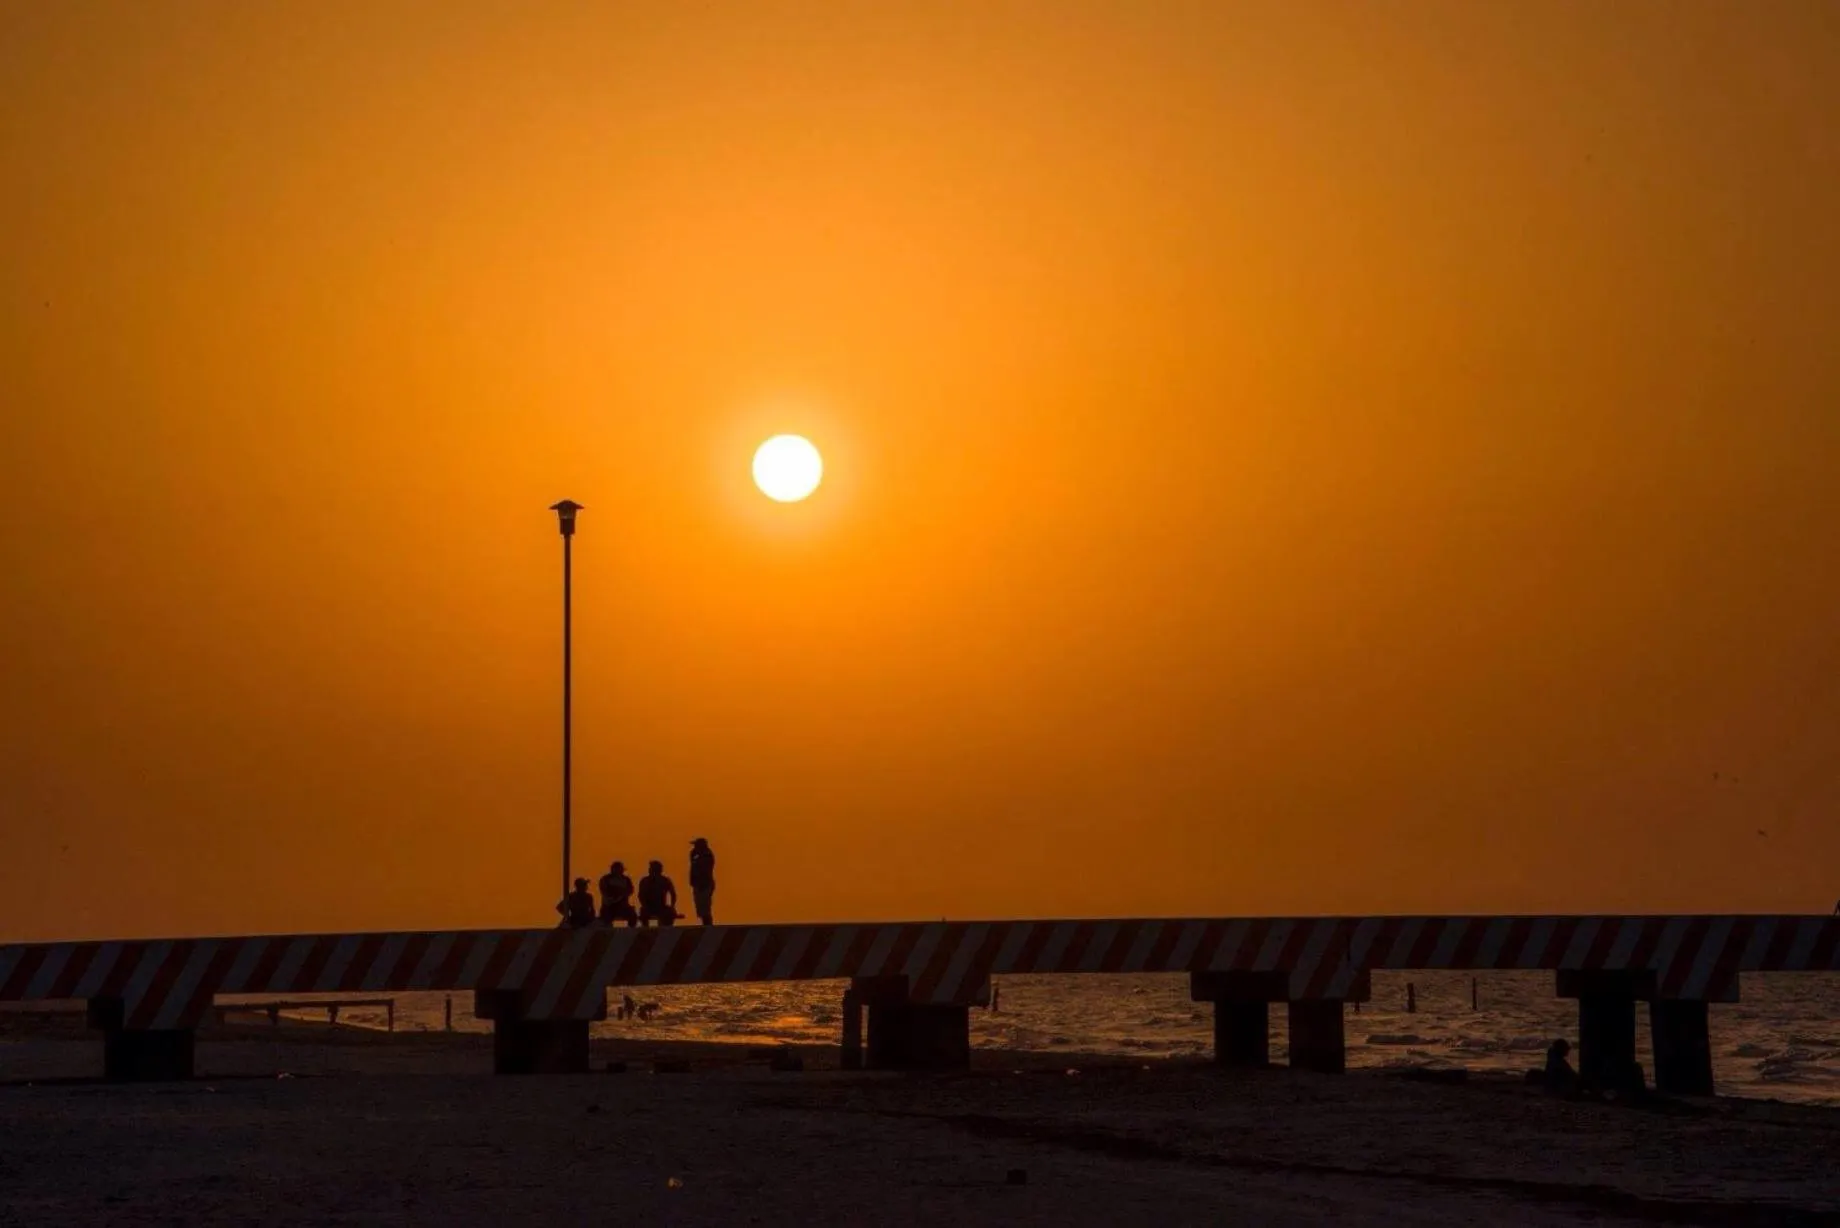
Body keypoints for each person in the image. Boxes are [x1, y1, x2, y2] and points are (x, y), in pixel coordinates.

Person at [638, 859, 678, 926]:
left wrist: (672, 906)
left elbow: (673, 894)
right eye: (650, 868)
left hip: (661, 906)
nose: (650, 870)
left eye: (652, 868)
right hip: (648, 906)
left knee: (670, 913)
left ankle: (665, 931)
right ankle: (645, 931)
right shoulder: (645, 881)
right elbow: (641, 895)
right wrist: (644, 905)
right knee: (643, 913)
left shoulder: (664, 880)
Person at [599, 861, 637, 927]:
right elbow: (604, 891)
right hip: (609, 905)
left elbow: (630, 890)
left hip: (623, 905)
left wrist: (622, 893)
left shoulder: (626, 879)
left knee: (632, 915)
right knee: (605, 916)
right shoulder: (605, 879)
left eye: (620, 869)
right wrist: (616, 894)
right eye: (616, 869)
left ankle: (631, 931)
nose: (619, 871)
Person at [688, 837, 717, 925]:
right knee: (701, 909)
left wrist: (701, 884)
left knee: (705, 908)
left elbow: (702, 871)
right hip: (699, 884)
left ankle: (708, 926)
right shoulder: (699, 856)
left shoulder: (706, 856)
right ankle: (705, 925)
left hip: (704, 885)